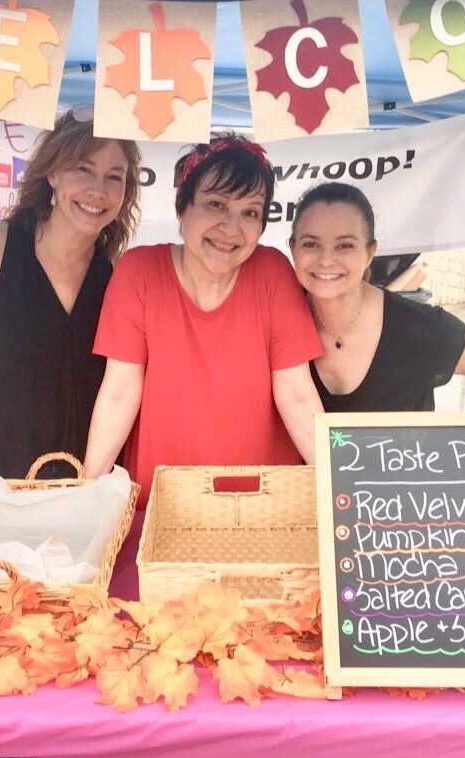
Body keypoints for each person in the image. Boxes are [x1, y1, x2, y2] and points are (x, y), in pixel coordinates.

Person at [82, 134, 324, 503]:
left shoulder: (273, 272)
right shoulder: (139, 271)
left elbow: (297, 396)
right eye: (215, 204)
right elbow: (119, 394)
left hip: (264, 509)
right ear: (182, 207)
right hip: (161, 507)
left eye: (250, 212)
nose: (231, 227)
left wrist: (339, 490)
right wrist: (87, 494)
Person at [0, 109, 142, 482]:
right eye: (84, 169)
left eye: (115, 177)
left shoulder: (118, 273)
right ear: (53, 173)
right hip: (0, 484)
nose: (98, 190)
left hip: (87, 487)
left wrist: (92, 485)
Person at [288, 182, 465, 412]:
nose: (325, 260)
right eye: (311, 244)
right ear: (293, 248)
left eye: (344, 246)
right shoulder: (278, 318)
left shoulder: (415, 325)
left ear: (369, 254)